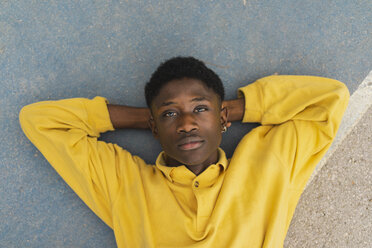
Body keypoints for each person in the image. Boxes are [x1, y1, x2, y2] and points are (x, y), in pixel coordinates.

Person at [19, 57, 349, 247]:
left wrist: (227, 110)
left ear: (222, 117)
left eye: (200, 109)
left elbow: (329, 100)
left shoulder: (266, 164)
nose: (187, 124)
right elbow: (41, 121)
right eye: (170, 114)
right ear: (154, 127)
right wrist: (147, 119)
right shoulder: (126, 185)